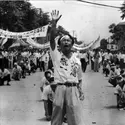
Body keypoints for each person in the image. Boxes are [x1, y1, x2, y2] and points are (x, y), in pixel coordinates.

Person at [49, 10, 84, 125]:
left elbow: (79, 78)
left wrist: (80, 90)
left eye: (68, 40)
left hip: (73, 89)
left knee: (74, 117)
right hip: (60, 88)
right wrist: (54, 23)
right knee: (57, 117)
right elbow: (51, 39)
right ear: (60, 44)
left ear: (72, 44)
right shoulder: (56, 55)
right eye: (63, 40)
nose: (66, 42)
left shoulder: (77, 60)